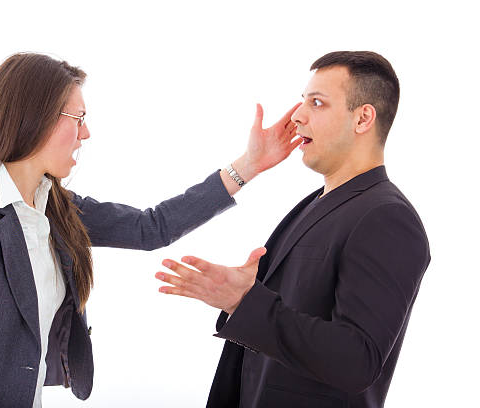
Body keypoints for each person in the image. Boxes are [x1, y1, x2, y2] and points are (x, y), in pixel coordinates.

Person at [0, 52, 301, 408]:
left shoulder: (56, 207)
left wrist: (248, 166)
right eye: (78, 119)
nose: (86, 134)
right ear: (35, 118)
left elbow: (151, 227)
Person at [157, 51, 431, 408]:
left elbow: (356, 361)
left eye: (317, 103)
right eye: (303, 101)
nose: (298, 116)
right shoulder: (314, 203)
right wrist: (247, 297)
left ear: (363, 118)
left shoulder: (389, 219)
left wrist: (245, 303)